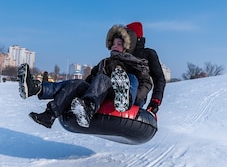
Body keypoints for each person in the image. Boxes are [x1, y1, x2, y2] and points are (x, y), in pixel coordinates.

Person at [18, 24, 151, 129]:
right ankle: (40, 95)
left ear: (127, 47)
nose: (115, 47)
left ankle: (120, 98)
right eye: (113, 44)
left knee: (126, 78)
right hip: (102, 95)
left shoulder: (136, 63)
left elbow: (146, 83)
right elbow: (88, 83)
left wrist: (136, 97)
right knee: (78, 84)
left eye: (119, 44)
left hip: (127, 96)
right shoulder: (104, 63)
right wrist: (78, 93)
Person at [126, 22, 166, 115]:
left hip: (138, 95)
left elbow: (159, 78)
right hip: (116, 93)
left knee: (133, 78)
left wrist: (155, 101)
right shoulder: (122, 53)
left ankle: (128, 101)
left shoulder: (148, 54)